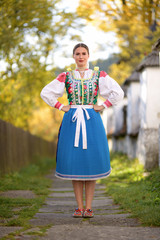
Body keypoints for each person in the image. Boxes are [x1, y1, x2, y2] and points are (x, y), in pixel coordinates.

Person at [40, 43, 124, 218]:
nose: (80, 56)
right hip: (72, 120)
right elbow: (46, 93)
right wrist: (60, 106)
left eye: (83, 53)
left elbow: (118, 93)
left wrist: (103, 105)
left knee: (90, 164)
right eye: (77, 53)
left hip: (92, 120)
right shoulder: (66, 76)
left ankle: (89, 207)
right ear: (73, 56)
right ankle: (79, 207)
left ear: (88, 55)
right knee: (75, 164)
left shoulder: (99, 75)